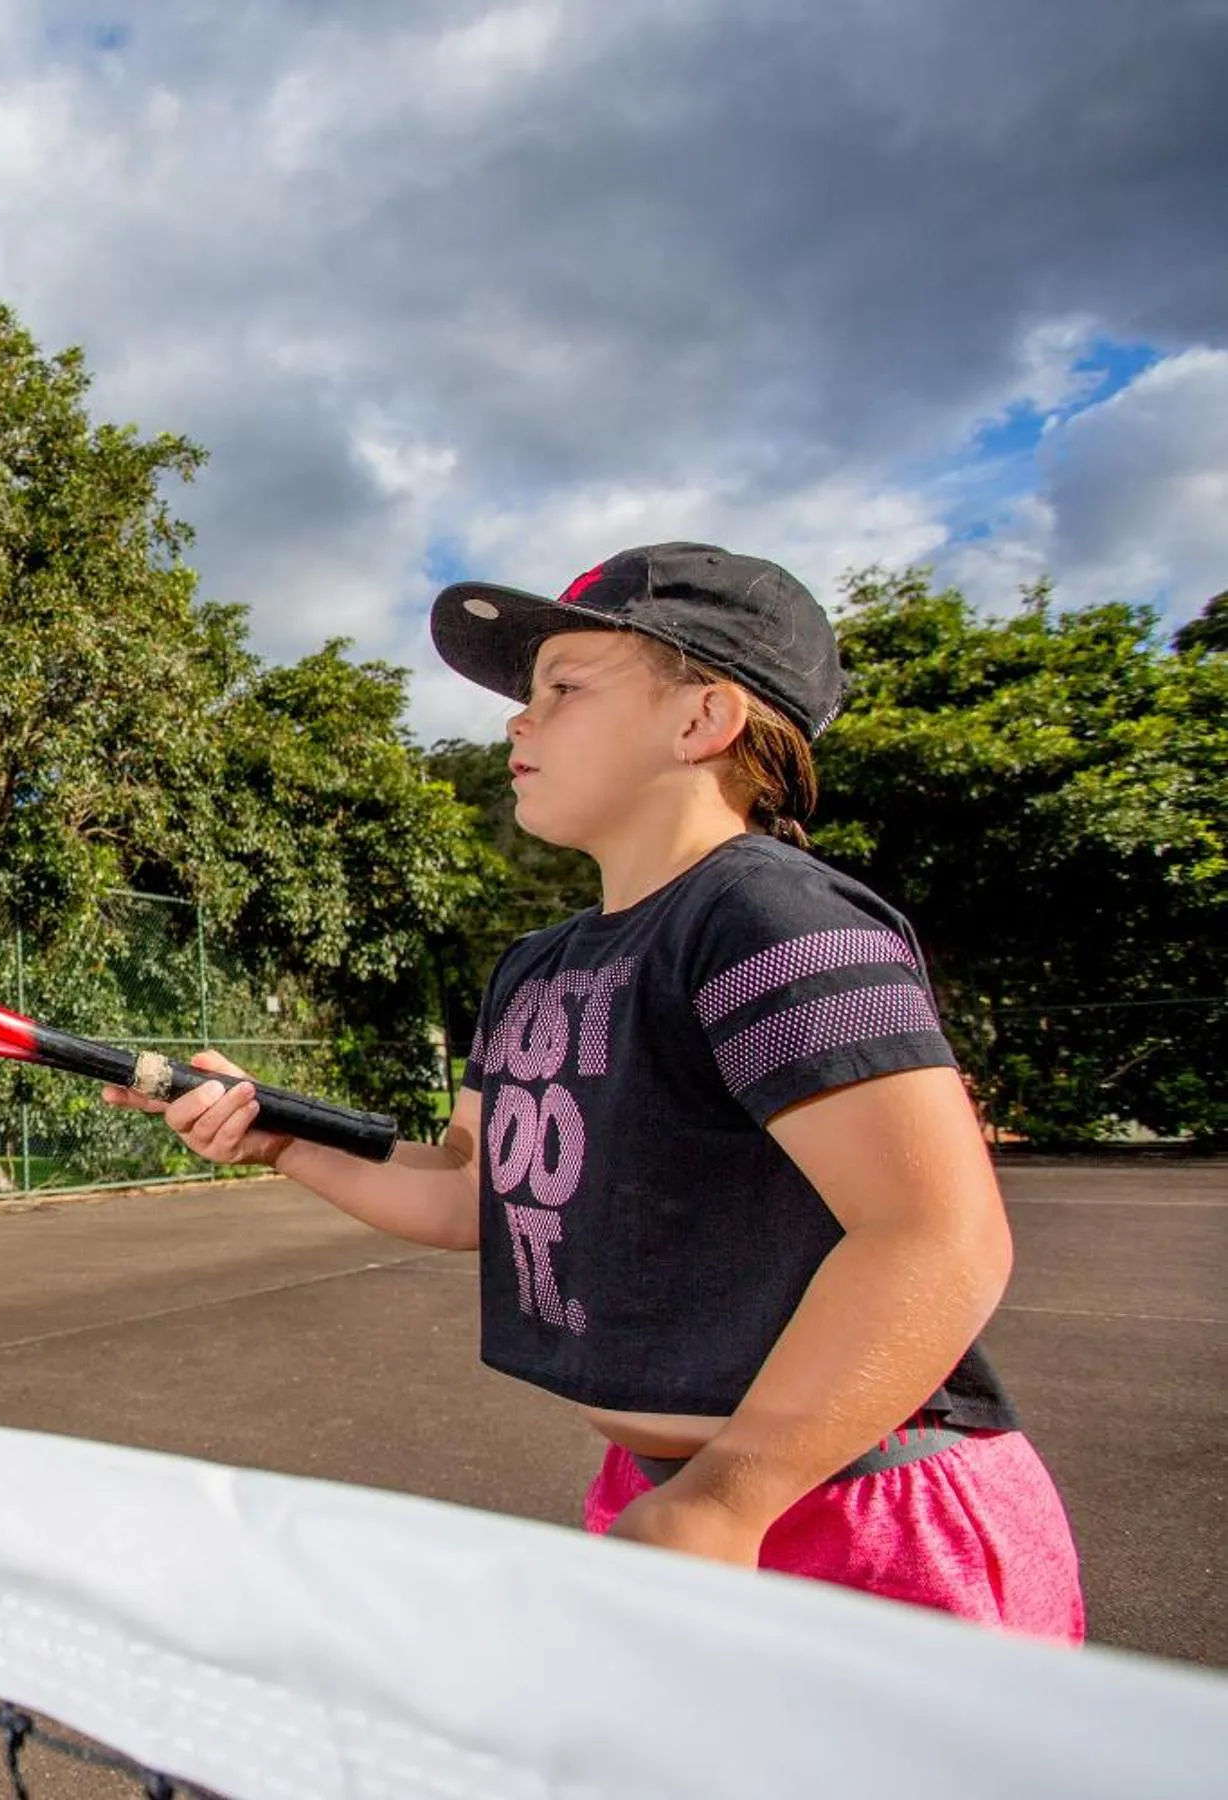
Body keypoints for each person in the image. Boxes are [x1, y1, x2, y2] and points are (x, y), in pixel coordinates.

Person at [109, 542, 1084, 1639]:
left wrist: (731, 1497)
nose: (518, 724)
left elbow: (937, 1236)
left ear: (703, 720)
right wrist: (274, 1133)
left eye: (565, 689)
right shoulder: (538, 965)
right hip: (669, 1500)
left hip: (855, 1511)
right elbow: (470, 1189)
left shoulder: (770, 918)